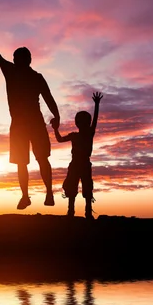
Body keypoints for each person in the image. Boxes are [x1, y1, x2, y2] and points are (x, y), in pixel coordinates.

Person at [0, 33, 60, 210]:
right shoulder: (15, 72)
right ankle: (29, 196)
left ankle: (46, 194)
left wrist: (57, 116)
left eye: (16, 58)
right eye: (15, 58)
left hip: (31, 123)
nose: (14, 60)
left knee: (38, 160)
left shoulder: (31, 76)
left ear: (25, 60)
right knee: (26, 161)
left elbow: (49, 98)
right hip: (21, 124)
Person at [51, 91, 103, 219]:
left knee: (86, 188)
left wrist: (97, 104)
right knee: (72, 188)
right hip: (77, 164)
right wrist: (55, 129)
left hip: (83, 163)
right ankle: (73, 212)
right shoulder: (78, 135)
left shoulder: (88, 133)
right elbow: (59, 139)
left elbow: (95, 120)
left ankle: (85, 213)